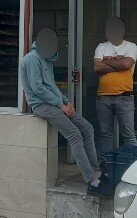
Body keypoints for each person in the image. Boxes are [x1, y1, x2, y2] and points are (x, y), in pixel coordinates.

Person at [20, 28, 108, 196]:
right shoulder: (32, 59)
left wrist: (67, 101)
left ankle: (95, 170)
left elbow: (52, 86)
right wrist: (60, 105)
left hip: (56, 104)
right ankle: (91, 180)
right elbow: (38, 88)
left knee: (87, 128)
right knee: (74, 134)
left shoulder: (46, 61)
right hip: (41, 106)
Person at [94, 16, 137, 156]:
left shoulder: (131, 46)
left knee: (128, 135)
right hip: (103, 97)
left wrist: (106, 63)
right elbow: (96, 67)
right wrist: (119, 65)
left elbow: (127, 64)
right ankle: (107, 168)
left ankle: (130, 167)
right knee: (105, 134)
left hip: (124, 97)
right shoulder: (101, 46)